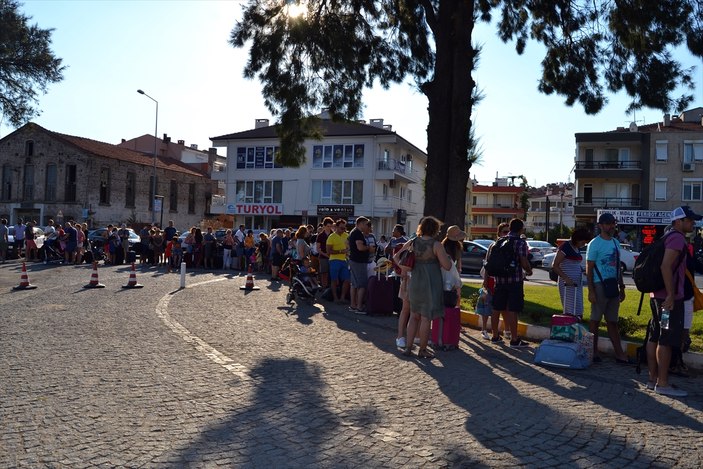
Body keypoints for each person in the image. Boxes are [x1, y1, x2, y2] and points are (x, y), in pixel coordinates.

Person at [646, 206, 701, 397]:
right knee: (666, 339)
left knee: (655, 336)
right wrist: (670, 295)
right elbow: (665, 266)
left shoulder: (666, 235)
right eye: (690, 220)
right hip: (668, 299)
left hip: (656, 296)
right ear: (679, 221)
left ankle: (652, 378)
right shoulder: (677, 238)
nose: (692, 224)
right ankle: (662, 383)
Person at [399, 216, 453, 358]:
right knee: (425, 318)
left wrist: (406, 269)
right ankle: (422, 349)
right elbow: (447, 266)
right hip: (431, 283)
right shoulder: (436, 245)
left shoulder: (413, 242)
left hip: (416, 281)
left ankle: (408, 348)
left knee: (413, 316)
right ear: (435, 229)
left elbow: (397, 256)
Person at [586, 212, 630, 364]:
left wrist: (622, 286)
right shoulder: (594, 243)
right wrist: (591, 290)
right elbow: (589, 268)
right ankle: (593, 351)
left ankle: (619, 354)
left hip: (613, 286)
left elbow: (618, 267)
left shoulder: (615, 243)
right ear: (600, 225)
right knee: (595, 320)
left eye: (613, 223)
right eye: (608, 223)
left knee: (612, 321)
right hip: (599, 285)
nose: (611, 226)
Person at [489, 218, 532, 349]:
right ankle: (514, 339)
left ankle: (495, 335)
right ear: (521, 229)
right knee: (513, 309)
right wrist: (529, 271)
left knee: (496, 308)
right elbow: (523, 261)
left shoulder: (499, 241)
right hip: (515, 280)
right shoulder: (520, 243)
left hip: (500, 280)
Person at [551, 228, 591, 318]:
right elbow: (555, 265)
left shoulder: (576, 248)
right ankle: (569, 327)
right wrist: (566, 278)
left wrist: (582, 271)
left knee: (578, 308)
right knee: (570, 309)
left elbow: (574, 264)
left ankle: (576, 326)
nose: (583, 244)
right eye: (583, 242)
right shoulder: (566, 247)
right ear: (577, 239)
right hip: (567, 284)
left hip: (576, 283)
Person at [348, 217, 373, 314]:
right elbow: (360, 247)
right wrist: (369, 248)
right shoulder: (358, 234)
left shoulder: (353, 232)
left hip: (354, 260)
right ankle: (359, 307)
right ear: (361, 224)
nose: (367, 226)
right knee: (362, 284)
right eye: (366, 224)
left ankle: (353, 305)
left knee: (354, 284)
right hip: (358, 261)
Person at [326, 219, 350, 304]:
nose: (343, 230)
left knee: (347, 279)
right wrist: (340, 251)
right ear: (336, 227)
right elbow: (328, 251)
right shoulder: (331, 237)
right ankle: (335, 298)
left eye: (344, 228)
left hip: (344, 260)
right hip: (334, 260)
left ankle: (342, 297)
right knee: (334, 280)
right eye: (341, 228)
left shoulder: (347, 235)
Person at [442, 225, 467, 308]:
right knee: (456, 296)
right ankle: (455, 314)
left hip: (442, 274)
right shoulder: (458, 247)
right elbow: (459, 264)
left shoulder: (442, 246)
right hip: (453, 275)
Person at [316, 217, 334, 288]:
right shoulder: (320, 235)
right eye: (327, 226)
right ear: (324, 226)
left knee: (332, 273)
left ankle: (331, 288)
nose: (329, 228)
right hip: (323, 257)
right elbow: (318, 248)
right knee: (324, 273)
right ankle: (324, 287)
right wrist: (326, 255)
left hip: (333, 256)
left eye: (330, 226)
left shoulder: (333, 234)